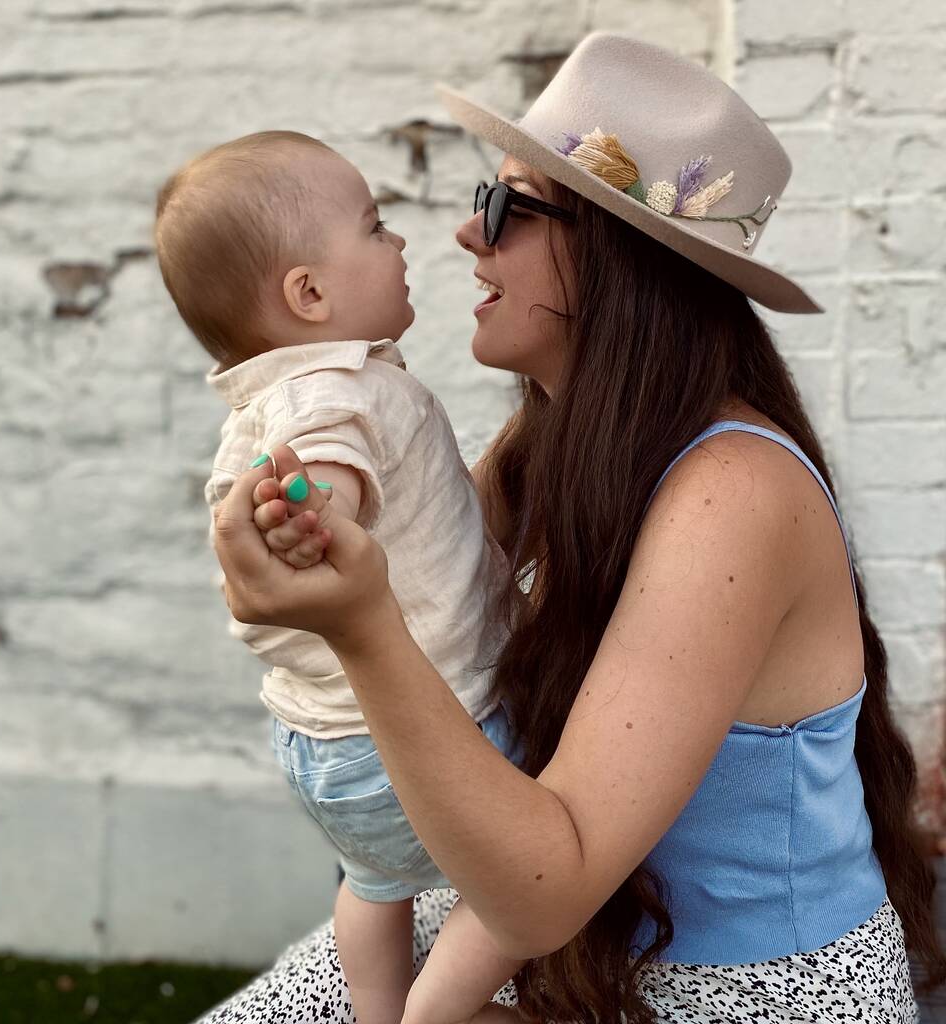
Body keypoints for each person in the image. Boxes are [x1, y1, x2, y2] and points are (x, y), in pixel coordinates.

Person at [199, 34, 945, 1024]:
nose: (469, 237)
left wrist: (360, 624)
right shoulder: (563, 442)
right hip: (587, 946)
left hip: (743, 993)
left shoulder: (732, 493)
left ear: (613, 257)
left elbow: (543, 889)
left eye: (506, 207)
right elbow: (425, 583)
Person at [154, 131, 528, 1024]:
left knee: (374, 889)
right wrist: (313, 517)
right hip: (429, 730)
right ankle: (434, 1013)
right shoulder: (335, 390)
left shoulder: (262, 402)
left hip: (319, 745)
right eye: (377, 226)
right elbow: (326, 481)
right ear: (310, 293)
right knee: (521, 877)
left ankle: (376, 1008)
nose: (401, 245)